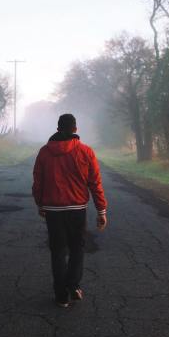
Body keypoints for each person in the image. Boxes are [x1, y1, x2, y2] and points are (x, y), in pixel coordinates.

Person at [32, 113, 107, 308]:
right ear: (75, 129)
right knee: (77, 248)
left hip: (53, 210)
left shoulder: (44, 152)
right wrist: (101, 210)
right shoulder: (86, 152)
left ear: (58, 128)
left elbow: (38, 182)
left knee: (57, 251)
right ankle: (73, 285)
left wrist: (40, 204)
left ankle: (61, 296)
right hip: (77, 209)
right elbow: (95, 183)